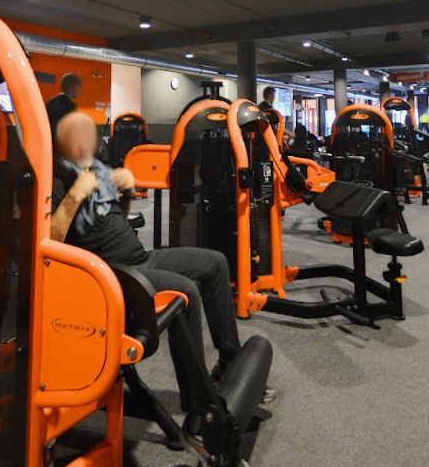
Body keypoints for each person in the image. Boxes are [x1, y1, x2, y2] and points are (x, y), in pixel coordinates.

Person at [50, 113, 274, 414]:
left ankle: (228, 363)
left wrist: (127, 193)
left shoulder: (93, 171)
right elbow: (50, 242)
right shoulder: (55, 183)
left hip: (142, 257)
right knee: (185, 291)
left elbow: (116, 219)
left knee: (215, 263)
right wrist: (74, 197)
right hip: (115, 276)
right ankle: (198, 404)